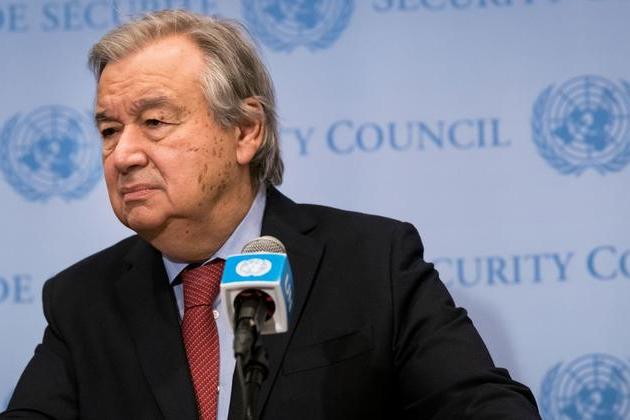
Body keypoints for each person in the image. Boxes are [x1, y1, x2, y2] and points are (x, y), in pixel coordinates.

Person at [1, 10, 541, 420]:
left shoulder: (372, 262)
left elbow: (486, 408)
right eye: (109, 130)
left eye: (155, 122)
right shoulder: (82, 300)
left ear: (245, 131)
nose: (123, 155)